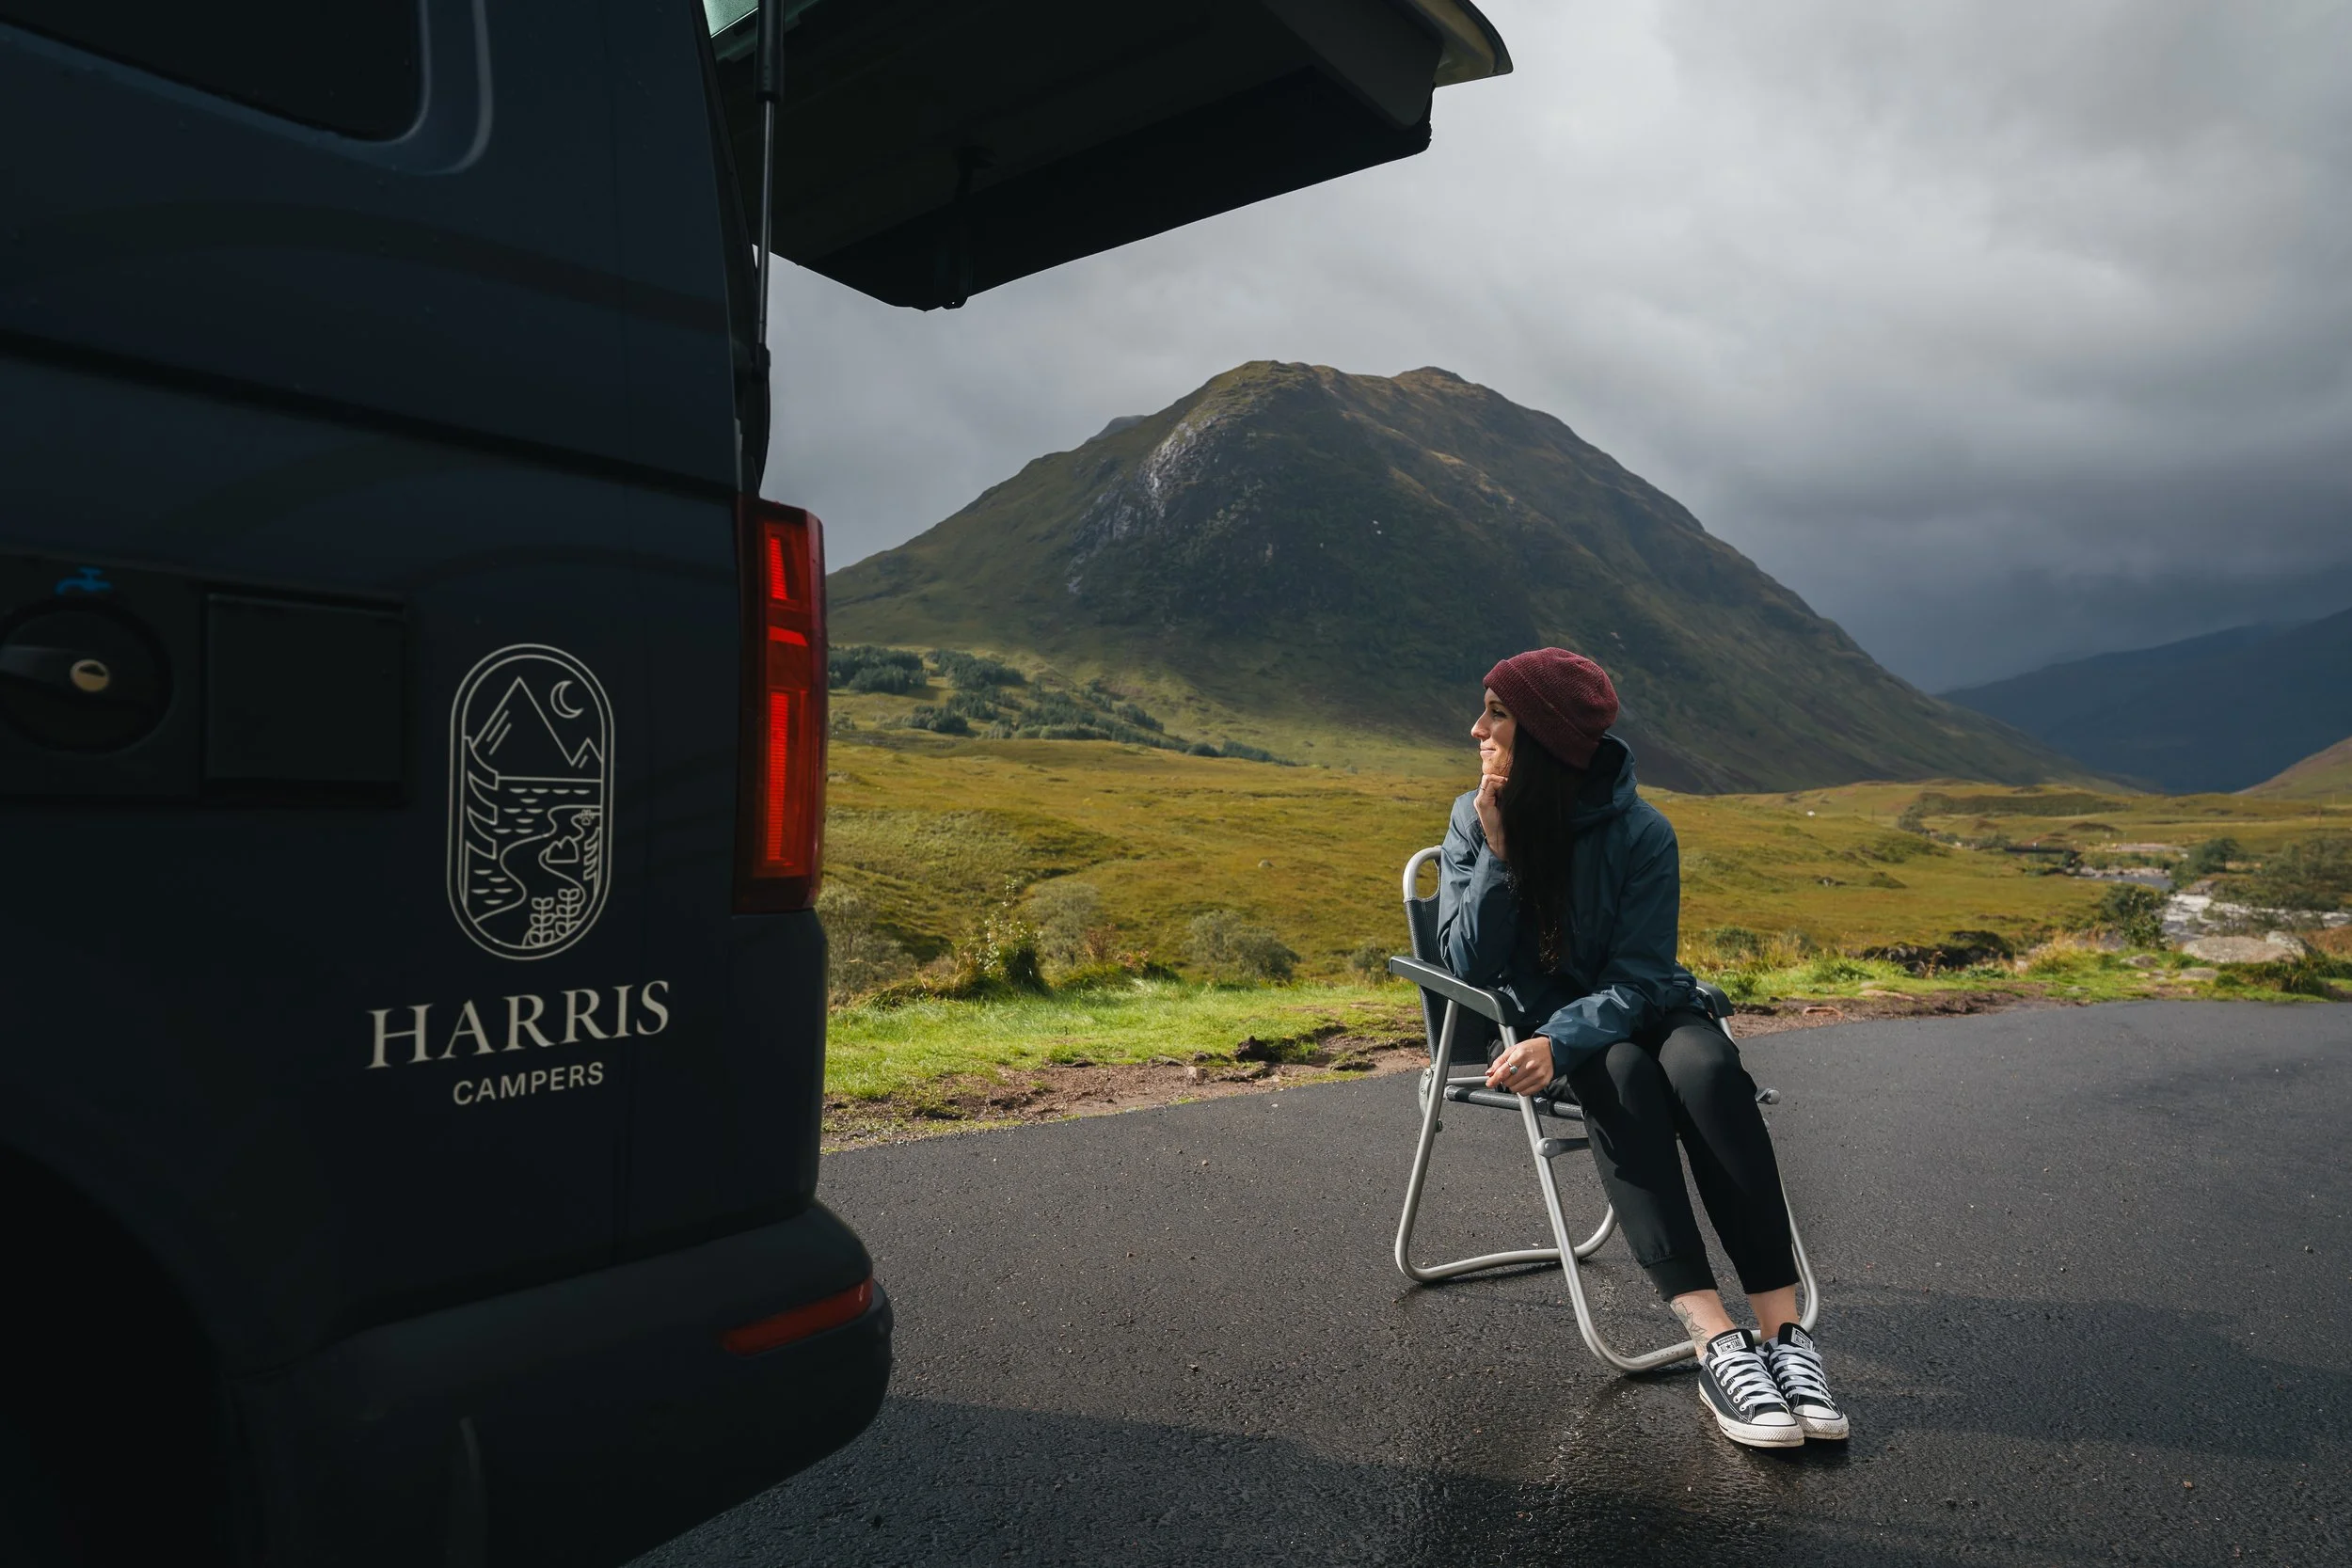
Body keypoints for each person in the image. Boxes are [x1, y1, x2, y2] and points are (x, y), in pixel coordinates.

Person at [1436, 647, 1849, 1449]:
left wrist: (1564, 1037)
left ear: (1547, 740)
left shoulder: (1644, 832)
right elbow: (1467, 964)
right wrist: (1497, 851)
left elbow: (1641, 976)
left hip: (1639, 1003)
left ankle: (1787, 1339)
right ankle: (1716, 1342)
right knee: (1621, 1072)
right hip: (1563, 1031)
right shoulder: (1471, 815)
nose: (1475, 727)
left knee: (1708, 1066)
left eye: (1496, 714)